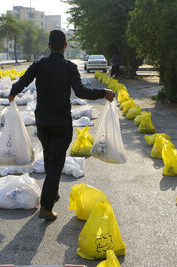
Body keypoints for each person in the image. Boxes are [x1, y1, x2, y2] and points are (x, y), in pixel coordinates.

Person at [8, 29, 115, 221]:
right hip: (61, 123)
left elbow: (23, 81)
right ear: (65, 46)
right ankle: (47, 207)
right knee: (56, 162)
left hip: (43, 122)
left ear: (49, 46)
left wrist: (12, 93)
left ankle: (51, 193)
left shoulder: (39, 65)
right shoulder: (70, 67)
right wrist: (103, 92)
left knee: (50, 159)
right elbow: (81, 92)